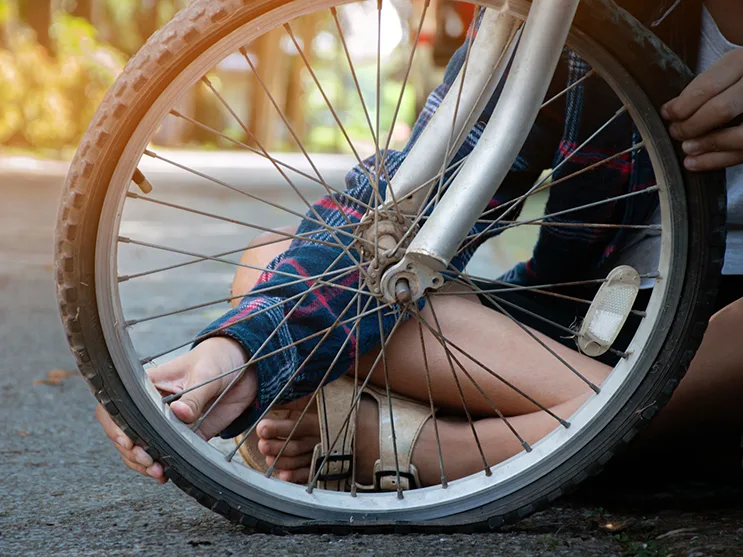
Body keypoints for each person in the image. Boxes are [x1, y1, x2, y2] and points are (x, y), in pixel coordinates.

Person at [97, 0, 743, 487]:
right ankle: (627, 425)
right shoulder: (592, 9)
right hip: (581, 322)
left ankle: (438, 450)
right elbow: (409, 205)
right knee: (269, 263)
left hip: (722, 335)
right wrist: (237, 353)